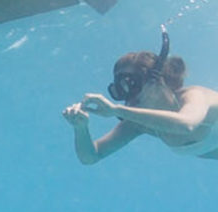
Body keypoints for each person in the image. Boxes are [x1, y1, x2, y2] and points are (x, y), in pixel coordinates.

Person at [62, 28, 218, 163]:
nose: (129, 97)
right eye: (121, 89)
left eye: (132, 85)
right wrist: (81, 128)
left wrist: (116, 110)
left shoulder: (193, 95)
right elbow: (91, 157)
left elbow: (186, 125)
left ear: (157, 80)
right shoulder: (140, 123)